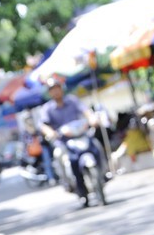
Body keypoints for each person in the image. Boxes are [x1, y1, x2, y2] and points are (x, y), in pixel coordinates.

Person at [40, 73, 105, 206]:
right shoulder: (48, 109)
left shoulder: (72, 101)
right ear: (50, 92)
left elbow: (86, 111)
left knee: (97, 146)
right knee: (58, 155)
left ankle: (104, 172)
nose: (56, 91)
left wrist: (92, 118)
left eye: (57, 87)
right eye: (52, 89)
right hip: (64, 141)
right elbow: (43, 125)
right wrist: (50, 132)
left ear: (61, 88)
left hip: (81, 136)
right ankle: (68, 184)